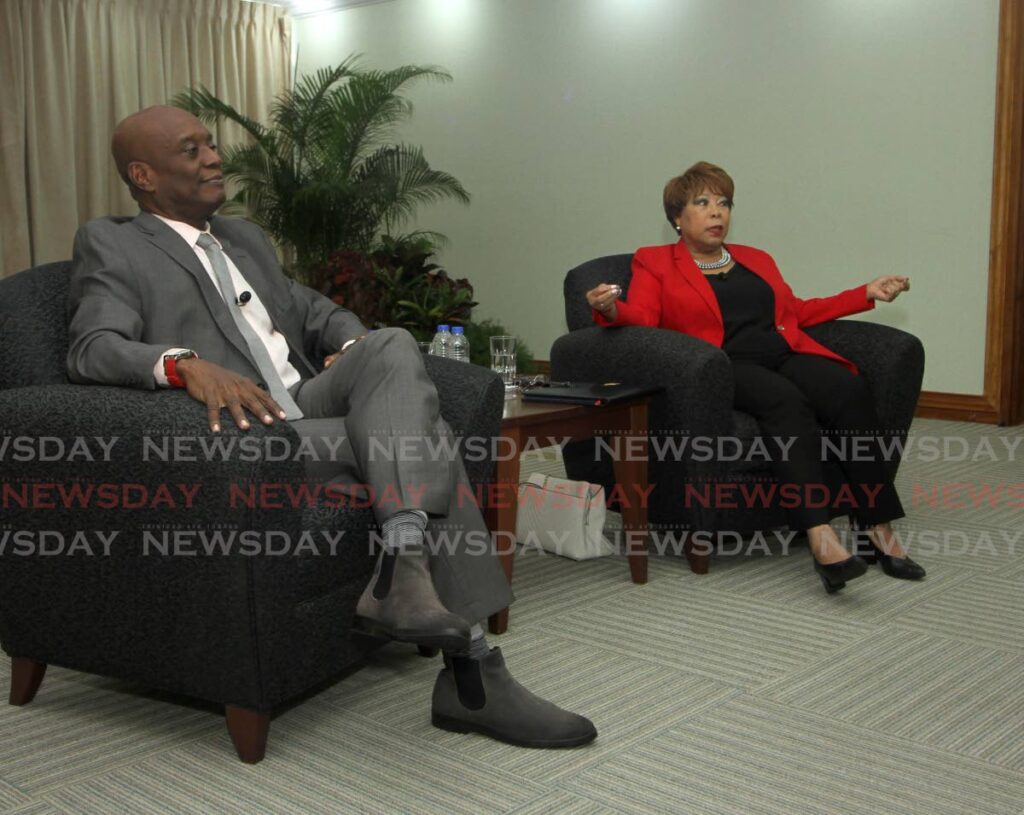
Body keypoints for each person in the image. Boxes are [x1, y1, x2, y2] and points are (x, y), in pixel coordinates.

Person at [66, 105, 596, 748]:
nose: (214, 157)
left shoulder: (246, 239)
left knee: (390, 343)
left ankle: (406, 568)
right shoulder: (113, 241)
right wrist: (182, 365)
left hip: (307, 400)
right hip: (248, 431)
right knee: (428, 440)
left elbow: (311, 309)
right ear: (144, 175)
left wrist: (350, 339)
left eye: (212, 143)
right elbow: (92, 346)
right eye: (192, 149)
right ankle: (472, 675)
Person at [585, 161, 925, 593]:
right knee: (786, 403)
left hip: (782, 351)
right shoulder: (654, 262)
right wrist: (610, 308)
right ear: (677, 217)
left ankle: (875, 524)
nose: (716, 213)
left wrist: (864, 294)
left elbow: (796, 312)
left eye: (723, 203)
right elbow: (645, 318)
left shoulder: (755, 258)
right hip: (722, 365)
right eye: (702, 203)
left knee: (849, 388)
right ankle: (820, 535)